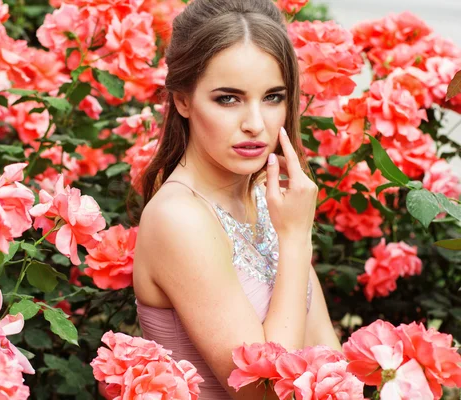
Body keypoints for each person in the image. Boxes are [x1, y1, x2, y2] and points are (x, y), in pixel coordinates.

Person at [133, 0, 342, 398]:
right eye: (228, 98)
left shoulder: (269, 202)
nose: (255, 124)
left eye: (273, 97)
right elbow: (265, 393)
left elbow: (329, 360)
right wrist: (295, 239)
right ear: (182, 100)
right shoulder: (179, 217)